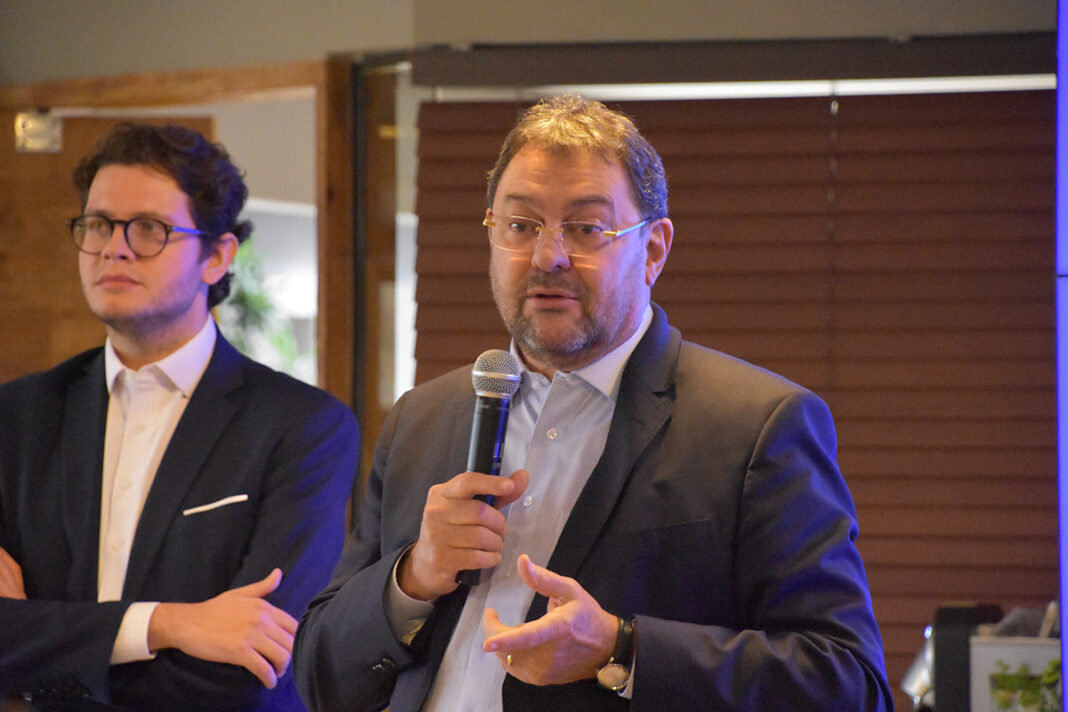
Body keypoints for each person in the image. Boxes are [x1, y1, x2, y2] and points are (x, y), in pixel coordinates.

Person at [293, 94, 892, 711]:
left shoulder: (755, 427)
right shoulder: (421, 417)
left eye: (586, 229)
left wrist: (619, 649)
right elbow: (317, 676)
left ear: (653, 250)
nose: (547, 256)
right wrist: (413, 578)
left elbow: (848, 684)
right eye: (521, 226)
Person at [0, 123, 359, 711]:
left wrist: (42, 655)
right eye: (98, 224)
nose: (114, 247)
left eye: (149, 228)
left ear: (217, 256)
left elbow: (253, 661)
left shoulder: (303, 427)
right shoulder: (19, 417)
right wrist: (169, 624)